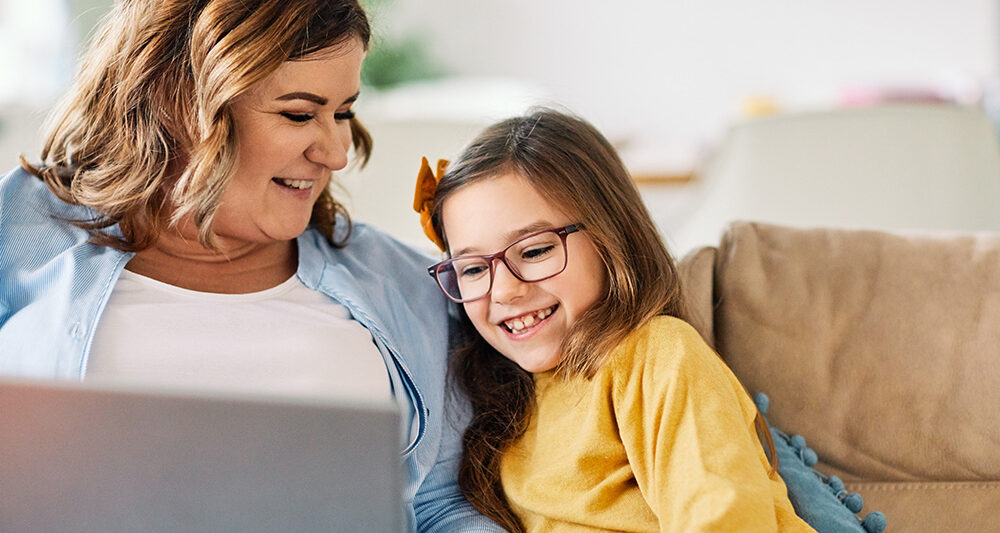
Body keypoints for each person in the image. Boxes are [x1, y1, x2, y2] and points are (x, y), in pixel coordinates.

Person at [0, 1, 501, 531]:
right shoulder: (21, 227)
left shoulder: (414, 285)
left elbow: (447, 505)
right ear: (179, 103)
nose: (336, 153)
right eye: (299, 114)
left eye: (343, 113)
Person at [413, 109, 817, 532]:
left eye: (534, 251)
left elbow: (724, 519)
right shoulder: (500, 400)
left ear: (609, 236)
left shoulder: (658, 355)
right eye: (473, 269)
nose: (504, 291)